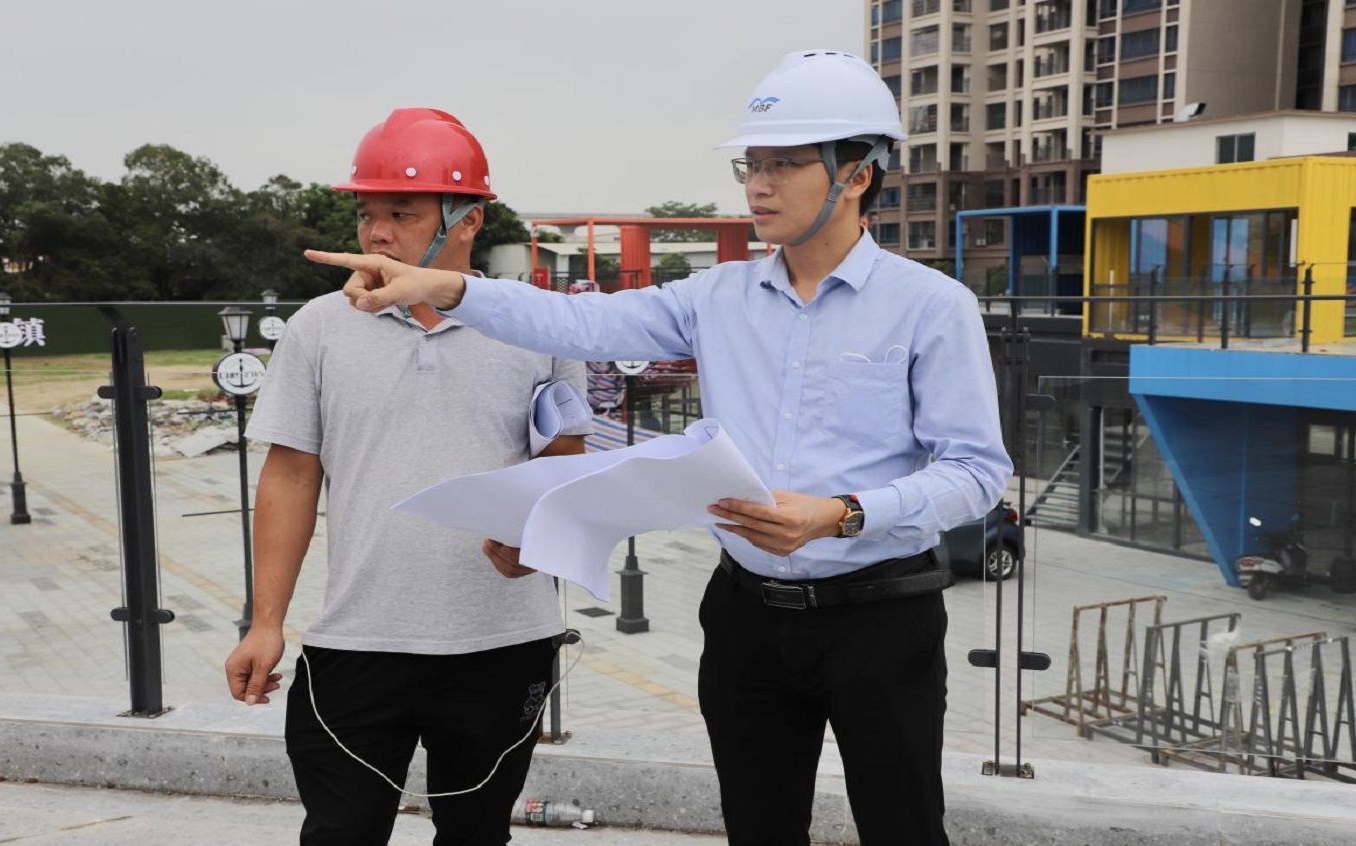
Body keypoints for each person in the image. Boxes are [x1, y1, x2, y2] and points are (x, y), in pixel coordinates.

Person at [309, 52, 1012, 846]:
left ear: (858, 174)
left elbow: (975, 471)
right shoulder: (716, 298)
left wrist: (843, 514)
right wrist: (442, 287)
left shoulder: (930, 307)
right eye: (751, 165)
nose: (757, 186)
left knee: (902, 825)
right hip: (746, 616)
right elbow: (578, 323)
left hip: (880, 617)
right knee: (756, 826)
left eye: (783, 164)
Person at [223, 108, 591, 845]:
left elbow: (563, 464)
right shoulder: (318, 327)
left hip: (502, 642)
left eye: (401, 213)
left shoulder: (536, 324)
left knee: (477, 835)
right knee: (341, 834)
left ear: (467, 220)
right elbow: (289, 478)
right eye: (366, 213)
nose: (377, 233)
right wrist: (265, 623)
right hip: (358, 640)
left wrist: (538, 541)